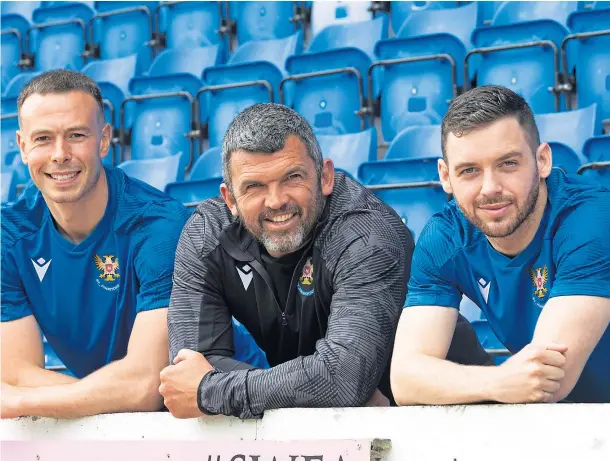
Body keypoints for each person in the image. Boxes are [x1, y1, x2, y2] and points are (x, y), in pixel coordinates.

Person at [159, 103, 491, 419]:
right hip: (341, 428)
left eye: (293, 177)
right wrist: (315, 388)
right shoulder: (207, 234)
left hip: (458, 418)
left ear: (325, 176)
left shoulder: (367, 234)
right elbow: (190, 368)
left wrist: (213, 392)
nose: (276, 201)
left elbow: (342, 378)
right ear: (229, 198)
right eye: (255, 186)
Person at [0, 70, 263, 419]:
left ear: (104, 139)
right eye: (43, 139)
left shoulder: (159, 227)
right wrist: (106, 395)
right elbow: (15, 373)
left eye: (76, 135)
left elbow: (145, 384)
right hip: (128, 417)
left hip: (234, 404)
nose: (60, 154)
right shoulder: (10, 234)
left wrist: (20, 403)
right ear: (21, 145)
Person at [391, 85, 610, 405]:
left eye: (508, 164)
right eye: (469, 171)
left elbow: (547, 381)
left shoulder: (591, 221)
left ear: (543, 160)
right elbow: (406, 381)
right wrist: (496, 382)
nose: (490, 188)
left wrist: (484, 382)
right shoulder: (445, 238)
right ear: (445, 176)